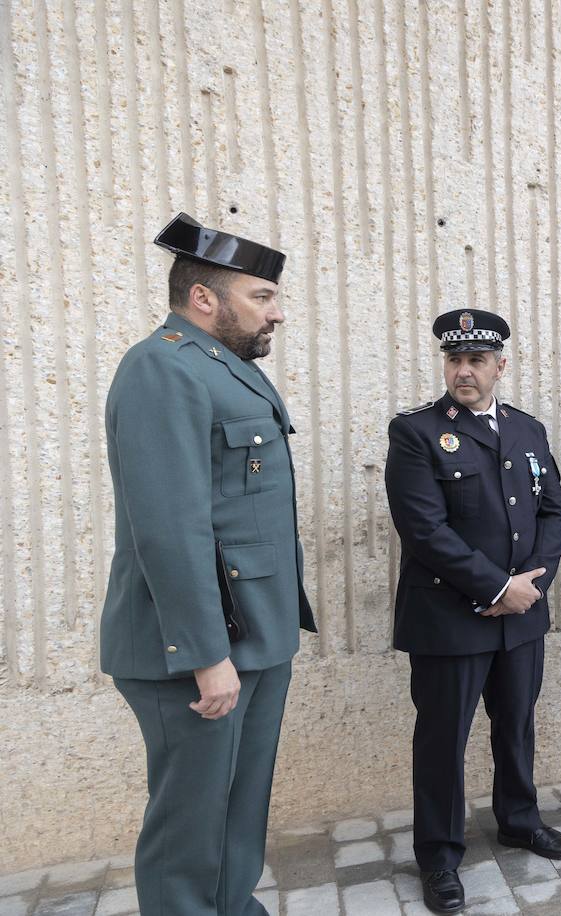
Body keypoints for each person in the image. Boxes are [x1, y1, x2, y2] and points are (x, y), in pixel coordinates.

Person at [100, 213, 315, 915]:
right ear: (203, 298)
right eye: (261, 296)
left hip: (253, 634)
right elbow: (168, 528)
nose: (276, 312)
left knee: (238, 808)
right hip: (198, 649)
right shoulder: (161, 366)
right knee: (188, 828)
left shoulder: (223, 367)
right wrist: (204, 652)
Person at [386, 309, 561, 913]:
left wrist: (530, 587)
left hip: (522, 616)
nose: (463, 370)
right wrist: (498, 587)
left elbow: (554, 514)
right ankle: (440, 855)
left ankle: (519, 820)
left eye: (476, 360)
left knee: (517, 724)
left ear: (500, 365)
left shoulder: (527, 429)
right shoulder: (415, 432)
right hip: (449, 617)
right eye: (454, 359)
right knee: (443, 739)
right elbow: (423, 529)